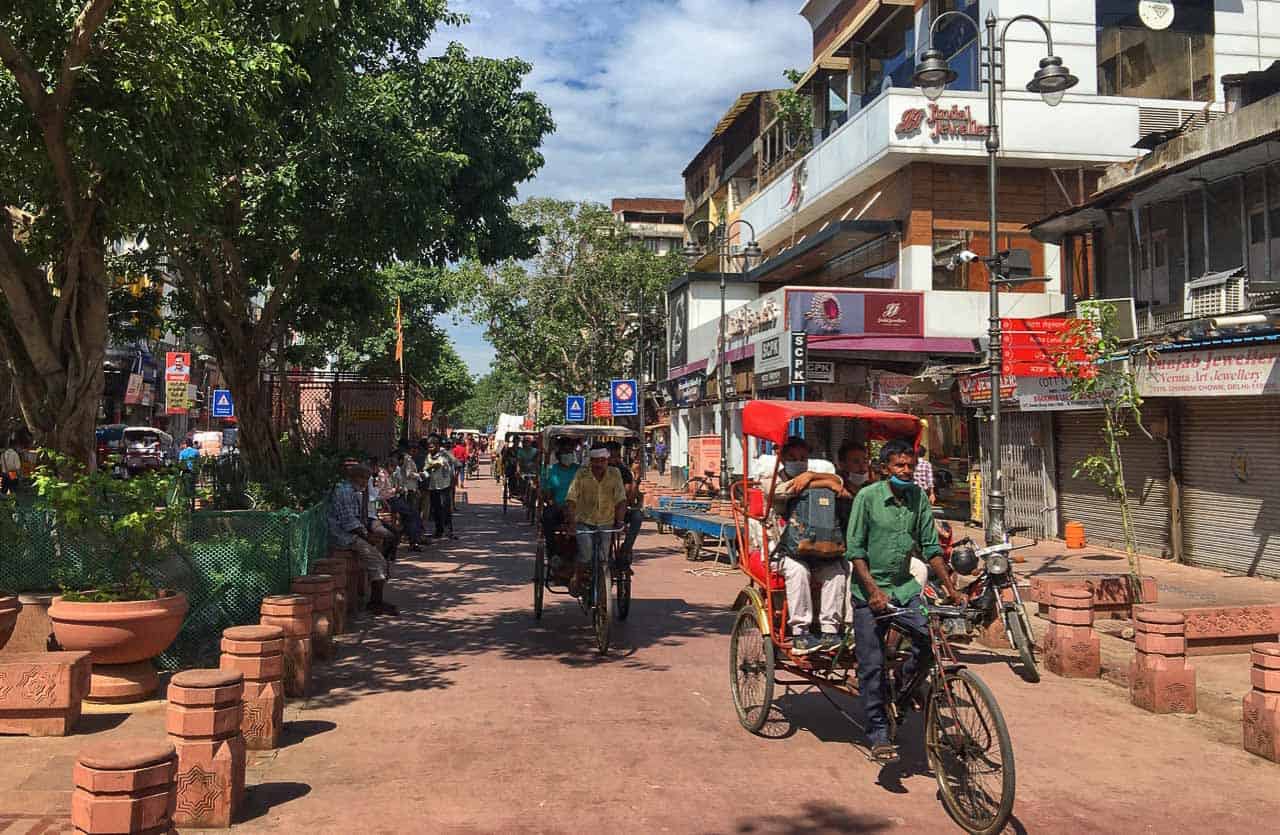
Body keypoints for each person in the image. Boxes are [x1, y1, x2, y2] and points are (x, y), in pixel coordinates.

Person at [846, 438, 962, 764]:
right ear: (885, 469)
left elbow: (930, 547)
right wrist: (873, 592)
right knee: (870, 665)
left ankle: (904, 685)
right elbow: (854, 550)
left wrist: (951, 590)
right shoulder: (868, 498)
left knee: (929, 639)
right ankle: (879, 735)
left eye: (910, 465)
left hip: (903, 587)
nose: (906, 471)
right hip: (869, 592)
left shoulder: (918, 499)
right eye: (899, 465)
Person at [770, 437, 850, 655]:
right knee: (798, 571)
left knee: (837, 572)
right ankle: (800, 632)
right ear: (782, 458)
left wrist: (812, 476)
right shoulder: (773, 480)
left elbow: (840, 484)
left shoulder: (813, 474)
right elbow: (787, 490)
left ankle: (830, 630)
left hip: (818, 547)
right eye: (792, 458)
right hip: (785, 551)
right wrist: (825, 482)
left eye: (803, 458)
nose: (798, 462)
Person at [327, 462, 397, 615]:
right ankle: (375, 603)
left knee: (380, 556)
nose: (366, 483)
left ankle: (376, 600)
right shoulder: (345, 492)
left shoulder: (351, 490)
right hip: (343, 536)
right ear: (355, 478)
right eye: (364, 479)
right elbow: (349, 522)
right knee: (378, 562)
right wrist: (366, 536)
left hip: (351, 532)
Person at [562, 443, 626, 585]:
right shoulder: (581, 474)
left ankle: (602, 589)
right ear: (591, 461)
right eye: (596, 461)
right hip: (584, 521)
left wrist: (620, 522)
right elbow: (571, 499)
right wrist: (572, 523)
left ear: (607, 460)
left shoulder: (615, 473)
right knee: (586, 554)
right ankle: (577, 577)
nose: (599, 464)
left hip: (606, 521)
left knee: (604, 557)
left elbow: (621, 499)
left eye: (602, 460)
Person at [540, 437, 579, 563]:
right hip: (559, 508)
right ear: (559, 454)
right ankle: (553, 554)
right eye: (565, 452)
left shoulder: (580, 470)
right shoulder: (551, 471)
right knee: (547, 516)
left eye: (570, 452)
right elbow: (547, 494)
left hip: (579, 509)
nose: (568, 454)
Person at [605, 441, 643, 571]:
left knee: (637, 516)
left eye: (617, 457)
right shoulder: (593, 470)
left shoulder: (622, 471)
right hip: (598, 511)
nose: (614, 460)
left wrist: (636, 478)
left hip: (619, 509)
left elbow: (630, 497)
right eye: (611, 457)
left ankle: (625, 549)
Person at [422, 434, 459, 539]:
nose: (430, 448)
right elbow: (426, 471)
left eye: (432, 446)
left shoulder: (445, 454)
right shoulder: (428, 457)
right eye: (428, 446)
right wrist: (421, 475)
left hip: (445, 486)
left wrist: (453, 478)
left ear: (437, 446)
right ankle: (438, 531)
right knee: (436, 509)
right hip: (433, 486)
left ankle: (448, 531)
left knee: (446, 509)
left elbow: (455, 464)